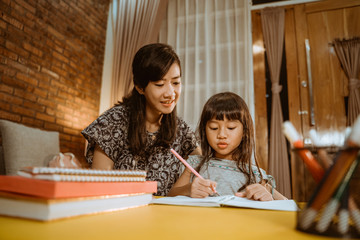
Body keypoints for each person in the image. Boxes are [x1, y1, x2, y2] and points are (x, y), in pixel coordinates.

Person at [82, 43, 200, 196]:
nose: (171, 93)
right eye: (159, 84)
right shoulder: (113, 121)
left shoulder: (181, 130)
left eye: (176, 82)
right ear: (140, 87)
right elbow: (99, 187)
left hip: (166, 216)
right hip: (122, 213)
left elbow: (205, 161)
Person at [168, 92, 287, 201]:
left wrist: (268, 196)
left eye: (230, 128)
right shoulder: (194, 164)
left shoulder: (256, 174)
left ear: (244, 131)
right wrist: (188, 189)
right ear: (204, 130)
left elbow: (288, 206)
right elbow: (170, 196)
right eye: (214, 128)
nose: (221, 135)